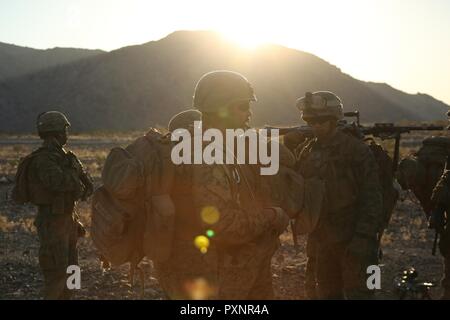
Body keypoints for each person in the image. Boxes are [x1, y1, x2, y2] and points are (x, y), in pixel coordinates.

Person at [155, 70, 290, 299]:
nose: (249, 114)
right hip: (210, 275)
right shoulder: (208, 155)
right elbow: (224, 225)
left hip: (204, 270)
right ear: (221, 109)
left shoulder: (207, 145)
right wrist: (272, 216)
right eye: (243, 106)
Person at [294, 91, 383, 299]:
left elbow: (372, 196)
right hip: (324, 240)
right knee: (325, 293)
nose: (315, 125)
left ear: (334, 120)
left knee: (363, 293)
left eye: (321, 120)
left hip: (356, 238)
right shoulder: (308, 150)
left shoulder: (356, 150)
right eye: (310, 120)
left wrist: (364, 237)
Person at [21, 111, 93, 299]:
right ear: (55, 133)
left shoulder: (64, 156)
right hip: (52, 221)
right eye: (64, 130)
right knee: (56, 274)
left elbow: (81, 184)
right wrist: (76, 176)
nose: (66, 135)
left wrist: (81, 180)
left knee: (72, 272)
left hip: (68, 219)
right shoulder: (43, 159)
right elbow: (58, 182)